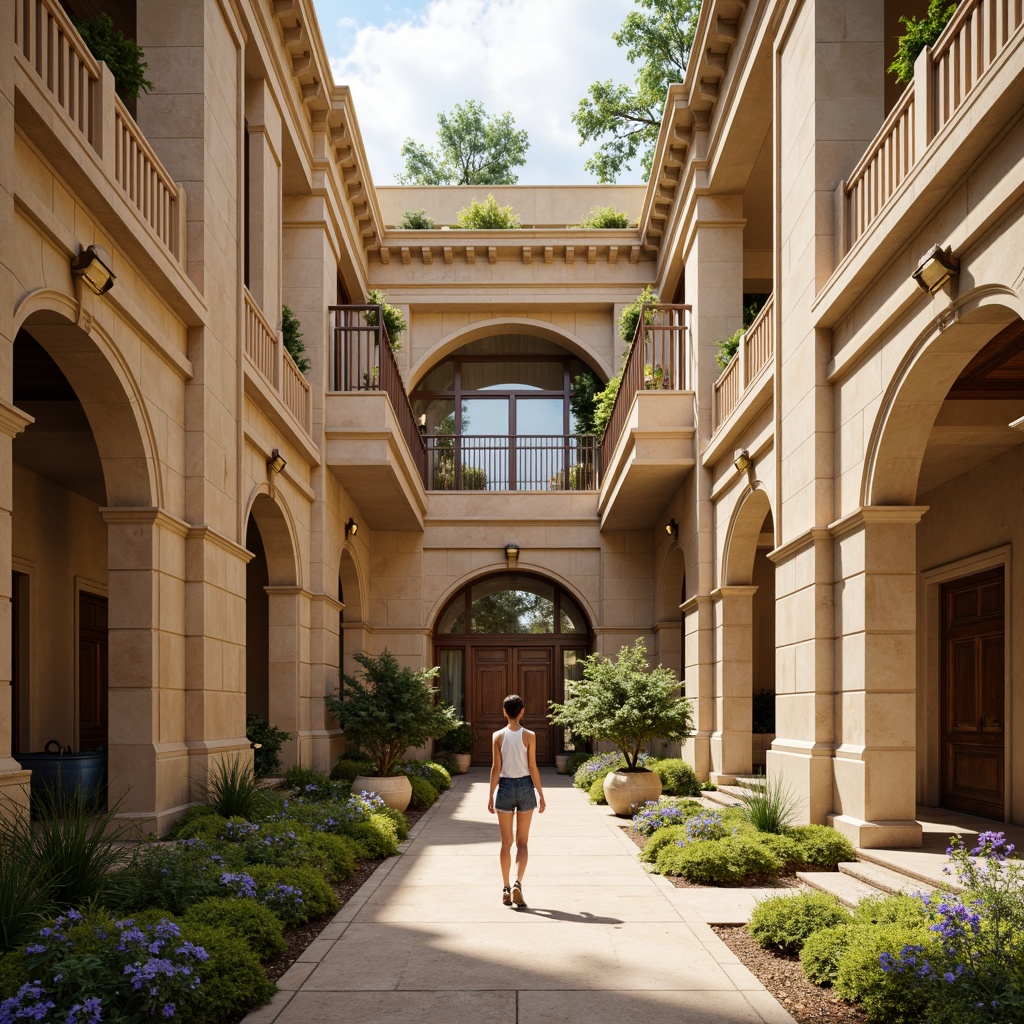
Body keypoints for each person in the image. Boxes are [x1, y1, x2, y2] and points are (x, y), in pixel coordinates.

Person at [487, 693, 546, 907]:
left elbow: (495, 768)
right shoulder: (529, 735)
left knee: (506, 843)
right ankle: (517, 884)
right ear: (522, 712)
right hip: (524, 787)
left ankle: (505, 888)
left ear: (504, 712)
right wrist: (540, 792)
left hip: (504, 787)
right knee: (522, 842)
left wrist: (491, 794)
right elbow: (532, 767)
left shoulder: (497, 736)